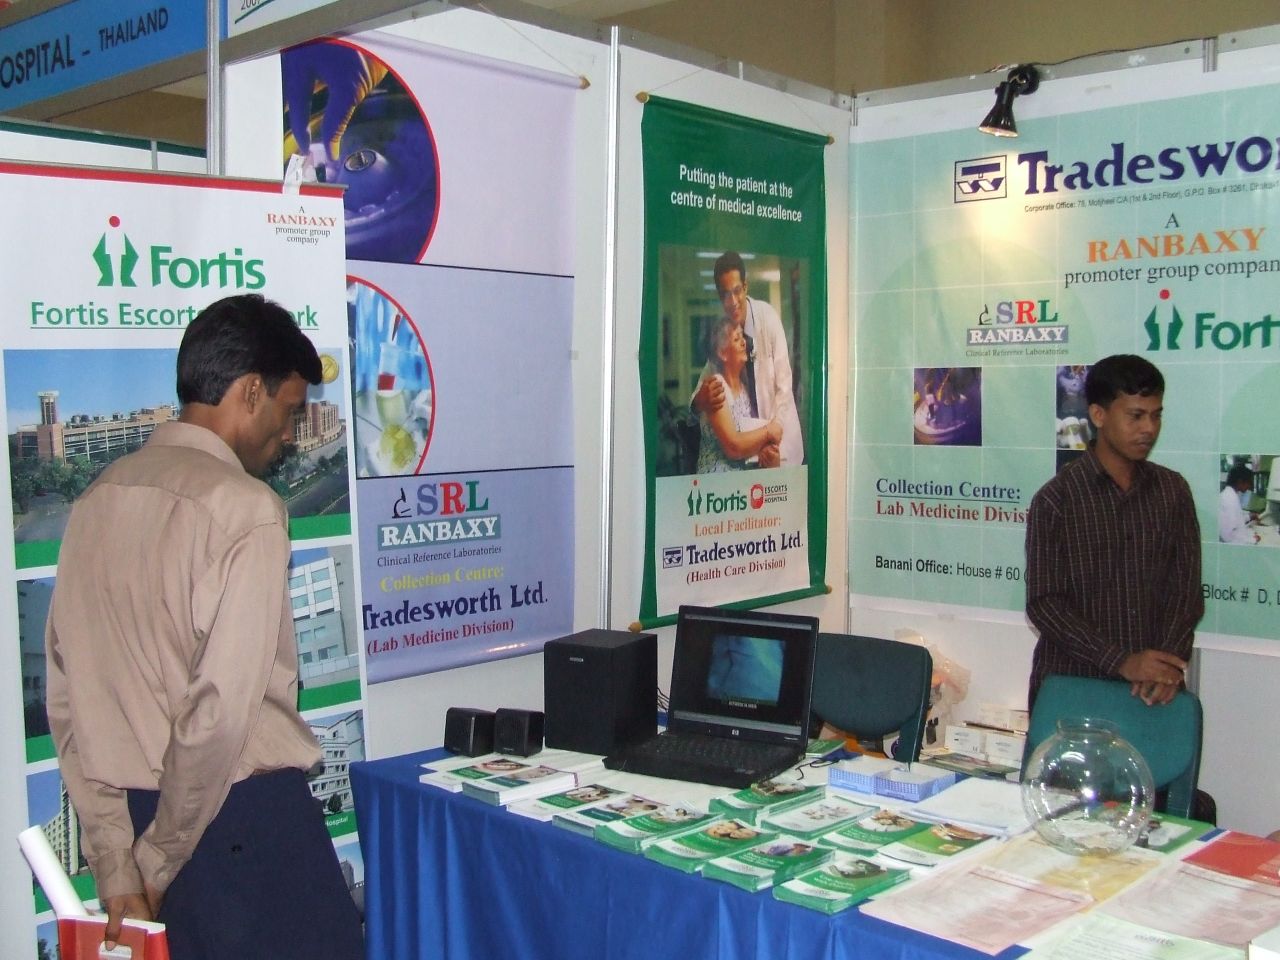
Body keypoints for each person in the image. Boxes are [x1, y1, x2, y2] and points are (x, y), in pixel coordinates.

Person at [45, 295, 363, 960]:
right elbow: (218, 714)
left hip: (144, 829)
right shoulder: (246, 509)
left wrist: (118, 862)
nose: (290, 434)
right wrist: (159, 862)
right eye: (289, 410)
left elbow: (69, 702)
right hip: (240, 832)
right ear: (251, 392)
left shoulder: (96, 501)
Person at [1024, 354, 1203, 709]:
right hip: (1073, 688)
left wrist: (1163, 666)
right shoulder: (1057, 499)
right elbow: (1045, 603)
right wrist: (1122, 661)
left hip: (1153, 696)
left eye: (1156, 415)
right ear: (1098, 415)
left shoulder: (1173, 491)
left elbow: (1185, 591)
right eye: (1136, 416)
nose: (1148, 428)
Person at [693, 251, 804, 467]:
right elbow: (704, 387)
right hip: (750, 452)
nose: (732, 301)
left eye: (737, 291)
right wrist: (701, 400)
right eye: (725, 294)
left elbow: (784, 383)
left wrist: (773, 434)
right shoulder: (725, 333)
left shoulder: (768, 318)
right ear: (719, 295)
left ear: (745, 286)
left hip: (779, 440)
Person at [695, 316, 782, 472]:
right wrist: (769, 431)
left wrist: (764, 452)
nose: (744, 342)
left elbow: (748, 439)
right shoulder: (716, 386)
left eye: (742, 336)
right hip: (716, 484)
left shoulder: (745, 389)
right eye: (736, 339)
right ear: (722, 353)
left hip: (740, 481)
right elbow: (733, 447)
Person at [1218, 464, 1260, 544]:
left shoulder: (1231, 495)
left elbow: (1235, 522)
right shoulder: (1229, 499)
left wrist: (1249, 516)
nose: (1250, 486)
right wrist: (1252, 540)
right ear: (1240, 481)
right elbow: (1228, 536)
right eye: (1249, 482)